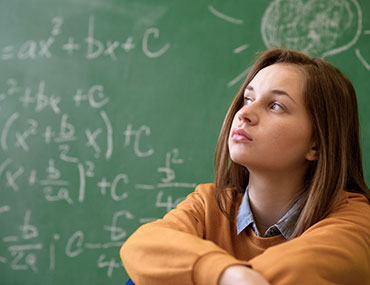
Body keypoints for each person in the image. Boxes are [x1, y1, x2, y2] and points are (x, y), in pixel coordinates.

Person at [120, 48, 370, 284]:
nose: (244, 113)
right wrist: (225, 275)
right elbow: (140, 246)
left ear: (316, 144)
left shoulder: (356, 220)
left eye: (275, 106)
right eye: (247, 98)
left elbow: (295, 272)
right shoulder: (209, 204)